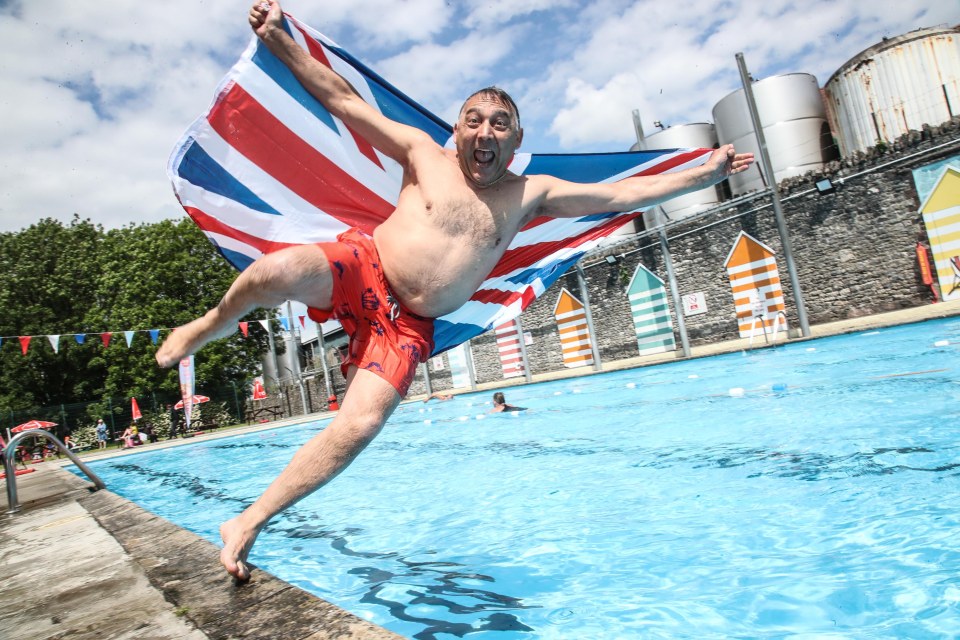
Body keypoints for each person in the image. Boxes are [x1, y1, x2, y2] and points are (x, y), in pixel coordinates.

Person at [155, 0, 754, 582]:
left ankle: (247, 522)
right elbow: (339, 98)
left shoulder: (530, 193)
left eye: (499, 124)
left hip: (406, 326)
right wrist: (278, 39)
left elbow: (624, 197)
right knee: (270, 274)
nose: (484, 132)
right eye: (473, 121)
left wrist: (705, 172)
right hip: (364, 267)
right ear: (458, 130)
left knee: (358, 428)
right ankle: (210, 325)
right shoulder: (423, 152)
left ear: (515, 141)